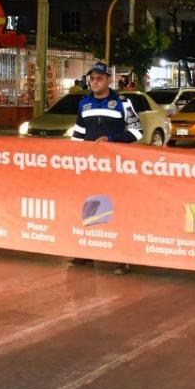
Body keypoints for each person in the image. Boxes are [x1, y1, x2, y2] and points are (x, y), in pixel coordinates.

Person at [71, 61, 143, 274]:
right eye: (92, 78)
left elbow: (137, 131)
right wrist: (73, 157)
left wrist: (111, 139)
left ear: (108, 80)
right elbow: (77, 134)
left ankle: (123, 257)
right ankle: (87, 252)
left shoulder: (123, 102)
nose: (94, 81)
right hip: (90, 168)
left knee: (117, 209)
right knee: (90, 207)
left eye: (99, 78)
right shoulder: (83, 103)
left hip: (116, 167)